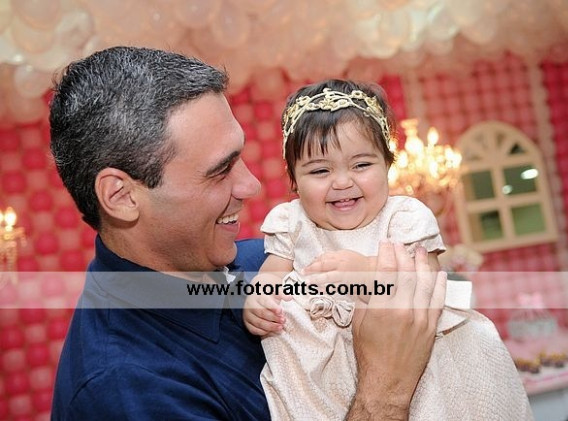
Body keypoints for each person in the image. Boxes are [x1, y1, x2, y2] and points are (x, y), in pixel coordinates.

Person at [49, 46, 447, 420]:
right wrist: (385, 392)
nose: (251, 185)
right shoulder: (124, 387)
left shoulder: (268, 261)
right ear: (121, 197)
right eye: (220, 170)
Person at [243, 79, 533, 420]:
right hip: (321, 372)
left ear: (387, 165)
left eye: (361, 165)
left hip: (416, 364)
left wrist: (367, 272)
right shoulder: (292, 222)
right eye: (320, 170)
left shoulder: (403, 216)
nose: (342, 181)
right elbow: (272, 274)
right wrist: (258, 298)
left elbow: (429, 282)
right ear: (294, 179)